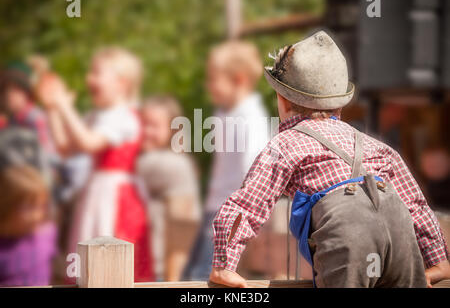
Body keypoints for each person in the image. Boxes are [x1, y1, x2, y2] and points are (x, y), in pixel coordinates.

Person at [209, 31, 450, 288]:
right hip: (401, 236)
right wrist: (437, 260)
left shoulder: (287, 144)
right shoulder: (377, 147)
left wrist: (224, 264)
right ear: (340, 105)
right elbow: (416, 207)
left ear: (282, 100)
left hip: (349, 237)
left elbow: (247, 205)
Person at [35, 47, 153, 282]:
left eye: (97, 73)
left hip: (116, 195)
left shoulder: (124, 117)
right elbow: (65, 147)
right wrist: (54, 109)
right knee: (89, 254)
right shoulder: (96, 115)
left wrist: (65, 107)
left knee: (111, 251)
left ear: (121, 82)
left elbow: (88, 143)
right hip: (97, 192)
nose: (90, 78)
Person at [183, 41, 270, 280]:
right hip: (214, 206)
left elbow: (253, 171)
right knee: (192, 274)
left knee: (202, 277)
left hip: (230, 212)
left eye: (213, 79)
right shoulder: (224, 113)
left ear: (238, 79)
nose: (208, 85)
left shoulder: (251, 118)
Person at [137, 95, 201, 281]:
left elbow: (183, 226)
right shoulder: (151, 159)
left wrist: (172, 282)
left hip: (157, 272)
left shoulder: (170, 164)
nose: (145, 131)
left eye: (153, 125)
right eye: (142, 123)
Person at [0, 165, 57, 286]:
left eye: (42, 206)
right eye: (29, 207)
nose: (37, 214)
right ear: (6, 206)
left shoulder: (46, 234)